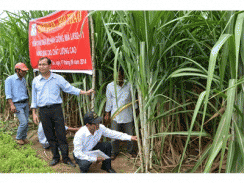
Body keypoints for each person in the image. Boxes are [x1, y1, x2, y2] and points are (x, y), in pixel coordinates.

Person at [31, 57, 94, 167]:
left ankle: (65, 158)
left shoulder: (57, 78)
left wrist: (84, 92)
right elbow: (34, 98)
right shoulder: (36, 81)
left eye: (44, 64)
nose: (41, 67)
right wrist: (34, 113)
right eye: (39, 64)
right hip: (43, 111)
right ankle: (55, 157)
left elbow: (69, 88)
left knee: (61, 134)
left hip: (56, 109)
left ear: (50, 66)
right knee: (49, 135)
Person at [73, 111, 137, 173]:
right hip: (81, 153)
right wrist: (95, 159)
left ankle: (107, 167)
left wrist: (130, 137)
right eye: (95, 123)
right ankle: (83, 169)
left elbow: (112, 133)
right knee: (85, 164)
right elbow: (78, 153)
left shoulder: (100, 128)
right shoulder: (79, 135)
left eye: (98, 122)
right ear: (87, 125)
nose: (98, 124)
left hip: (92, 149)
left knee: (107, 145)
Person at [104, 66, 137, 160]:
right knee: (114, 135)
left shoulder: (129, 85)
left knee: (130, 134)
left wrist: (136, 112)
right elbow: (109, 101)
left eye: (119, 75)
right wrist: (107, 113)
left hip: (128, 114)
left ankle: (131, 151)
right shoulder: (110, 86)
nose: (117, 78)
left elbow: (133, 99)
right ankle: (114, 152)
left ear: (123, 75)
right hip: (115, 115)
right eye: (115, 76)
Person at [5, 63, 30, 145]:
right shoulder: (10, 79)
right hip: (17, 104)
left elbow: (24, 91)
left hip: (25, 103)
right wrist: (12, 105)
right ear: (17, 70)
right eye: (23, 71)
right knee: (23, 122)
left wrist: (28, 102)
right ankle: (18, 138)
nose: (25, 73)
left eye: (25, 71)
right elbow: (8, 94)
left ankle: (24, 137)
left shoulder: (23, 79)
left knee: (26, 121)